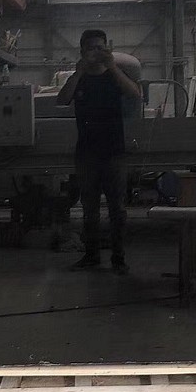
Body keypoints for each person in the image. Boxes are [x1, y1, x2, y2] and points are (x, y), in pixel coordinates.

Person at [57, 29, 141, 274]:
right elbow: (62, 100)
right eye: (90, 48)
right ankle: (91, 256)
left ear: (107, 49)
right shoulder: (79, 78)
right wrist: (79, 71)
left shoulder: (115, 76)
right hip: (87, 153)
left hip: (114, 151)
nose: (95, 52)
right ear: (82, 51)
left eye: (100, 48)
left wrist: (112, 66)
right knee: (89, 208)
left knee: (117, 209)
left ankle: (118, 259)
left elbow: (134, 94)